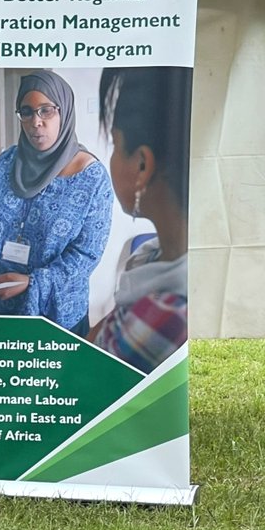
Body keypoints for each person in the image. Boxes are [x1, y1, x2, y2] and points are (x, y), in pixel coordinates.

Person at [0, 70, 113, 336]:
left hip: (55, 314)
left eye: (46, 111)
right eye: (26, 112)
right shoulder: (5, 164)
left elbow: (86, 254)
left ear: (64, 112)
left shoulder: (92, 178)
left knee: (54, 378)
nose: (35, 122)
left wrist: (33, 283)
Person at [89, 67, 191, 372]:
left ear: (143, 165)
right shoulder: (150, 257)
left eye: (114, 145)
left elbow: (86, 371)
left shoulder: (165, 317)